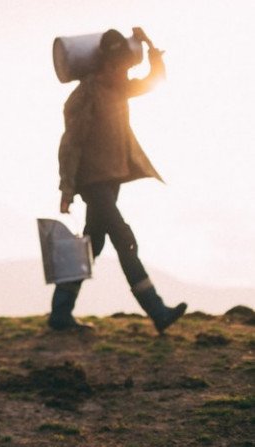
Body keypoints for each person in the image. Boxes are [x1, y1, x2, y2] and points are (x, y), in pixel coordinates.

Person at [50, 27, 186, 333]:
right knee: (124, 238)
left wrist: (151, 48)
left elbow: (155, 81)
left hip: (111, 180)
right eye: (119, 67)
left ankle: (60, 313)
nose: (124, 73)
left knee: (92, 245)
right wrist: (67, 189)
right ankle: (156, 309)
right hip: (92, 183)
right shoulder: (87, 94)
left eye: (127, 68)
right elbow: (70, 144)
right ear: (105, 65)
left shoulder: (119, 87)